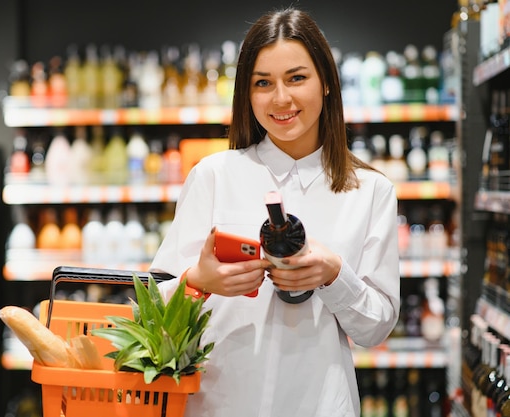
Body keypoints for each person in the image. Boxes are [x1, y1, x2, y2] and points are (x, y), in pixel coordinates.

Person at [150, 7, 400, 417]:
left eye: (297, 78)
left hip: (323, 406)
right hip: (219, 404)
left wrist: (335, 275)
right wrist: (199, 282)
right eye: (263, 83)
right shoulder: (214, 176)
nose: (281, 98)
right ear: (246, 95)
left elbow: (375, 329)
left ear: (327, 84)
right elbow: (155, 313)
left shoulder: (370, 191)